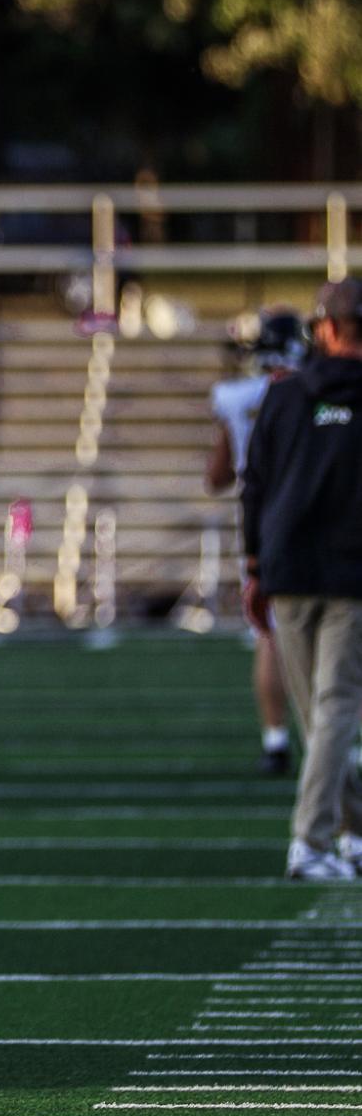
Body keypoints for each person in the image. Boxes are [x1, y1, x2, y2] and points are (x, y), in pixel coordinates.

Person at [242, 278, 362, 882]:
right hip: (348, 572)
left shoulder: (285, 397)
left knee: (322, 713)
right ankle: (312, 843)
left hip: (289, 567)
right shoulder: (289, 397)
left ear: (327, 328)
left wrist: (255, 565)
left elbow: (253, 484)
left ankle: (353, 832)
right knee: (332, 710)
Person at [207, 309, 309, 775]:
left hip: (259, 523)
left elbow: (217, 476)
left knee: (269, 633)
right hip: (315, 515)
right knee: (338, 633)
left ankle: (275, 741)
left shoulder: (235, 397)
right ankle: (338, 741)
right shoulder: (311, 390)